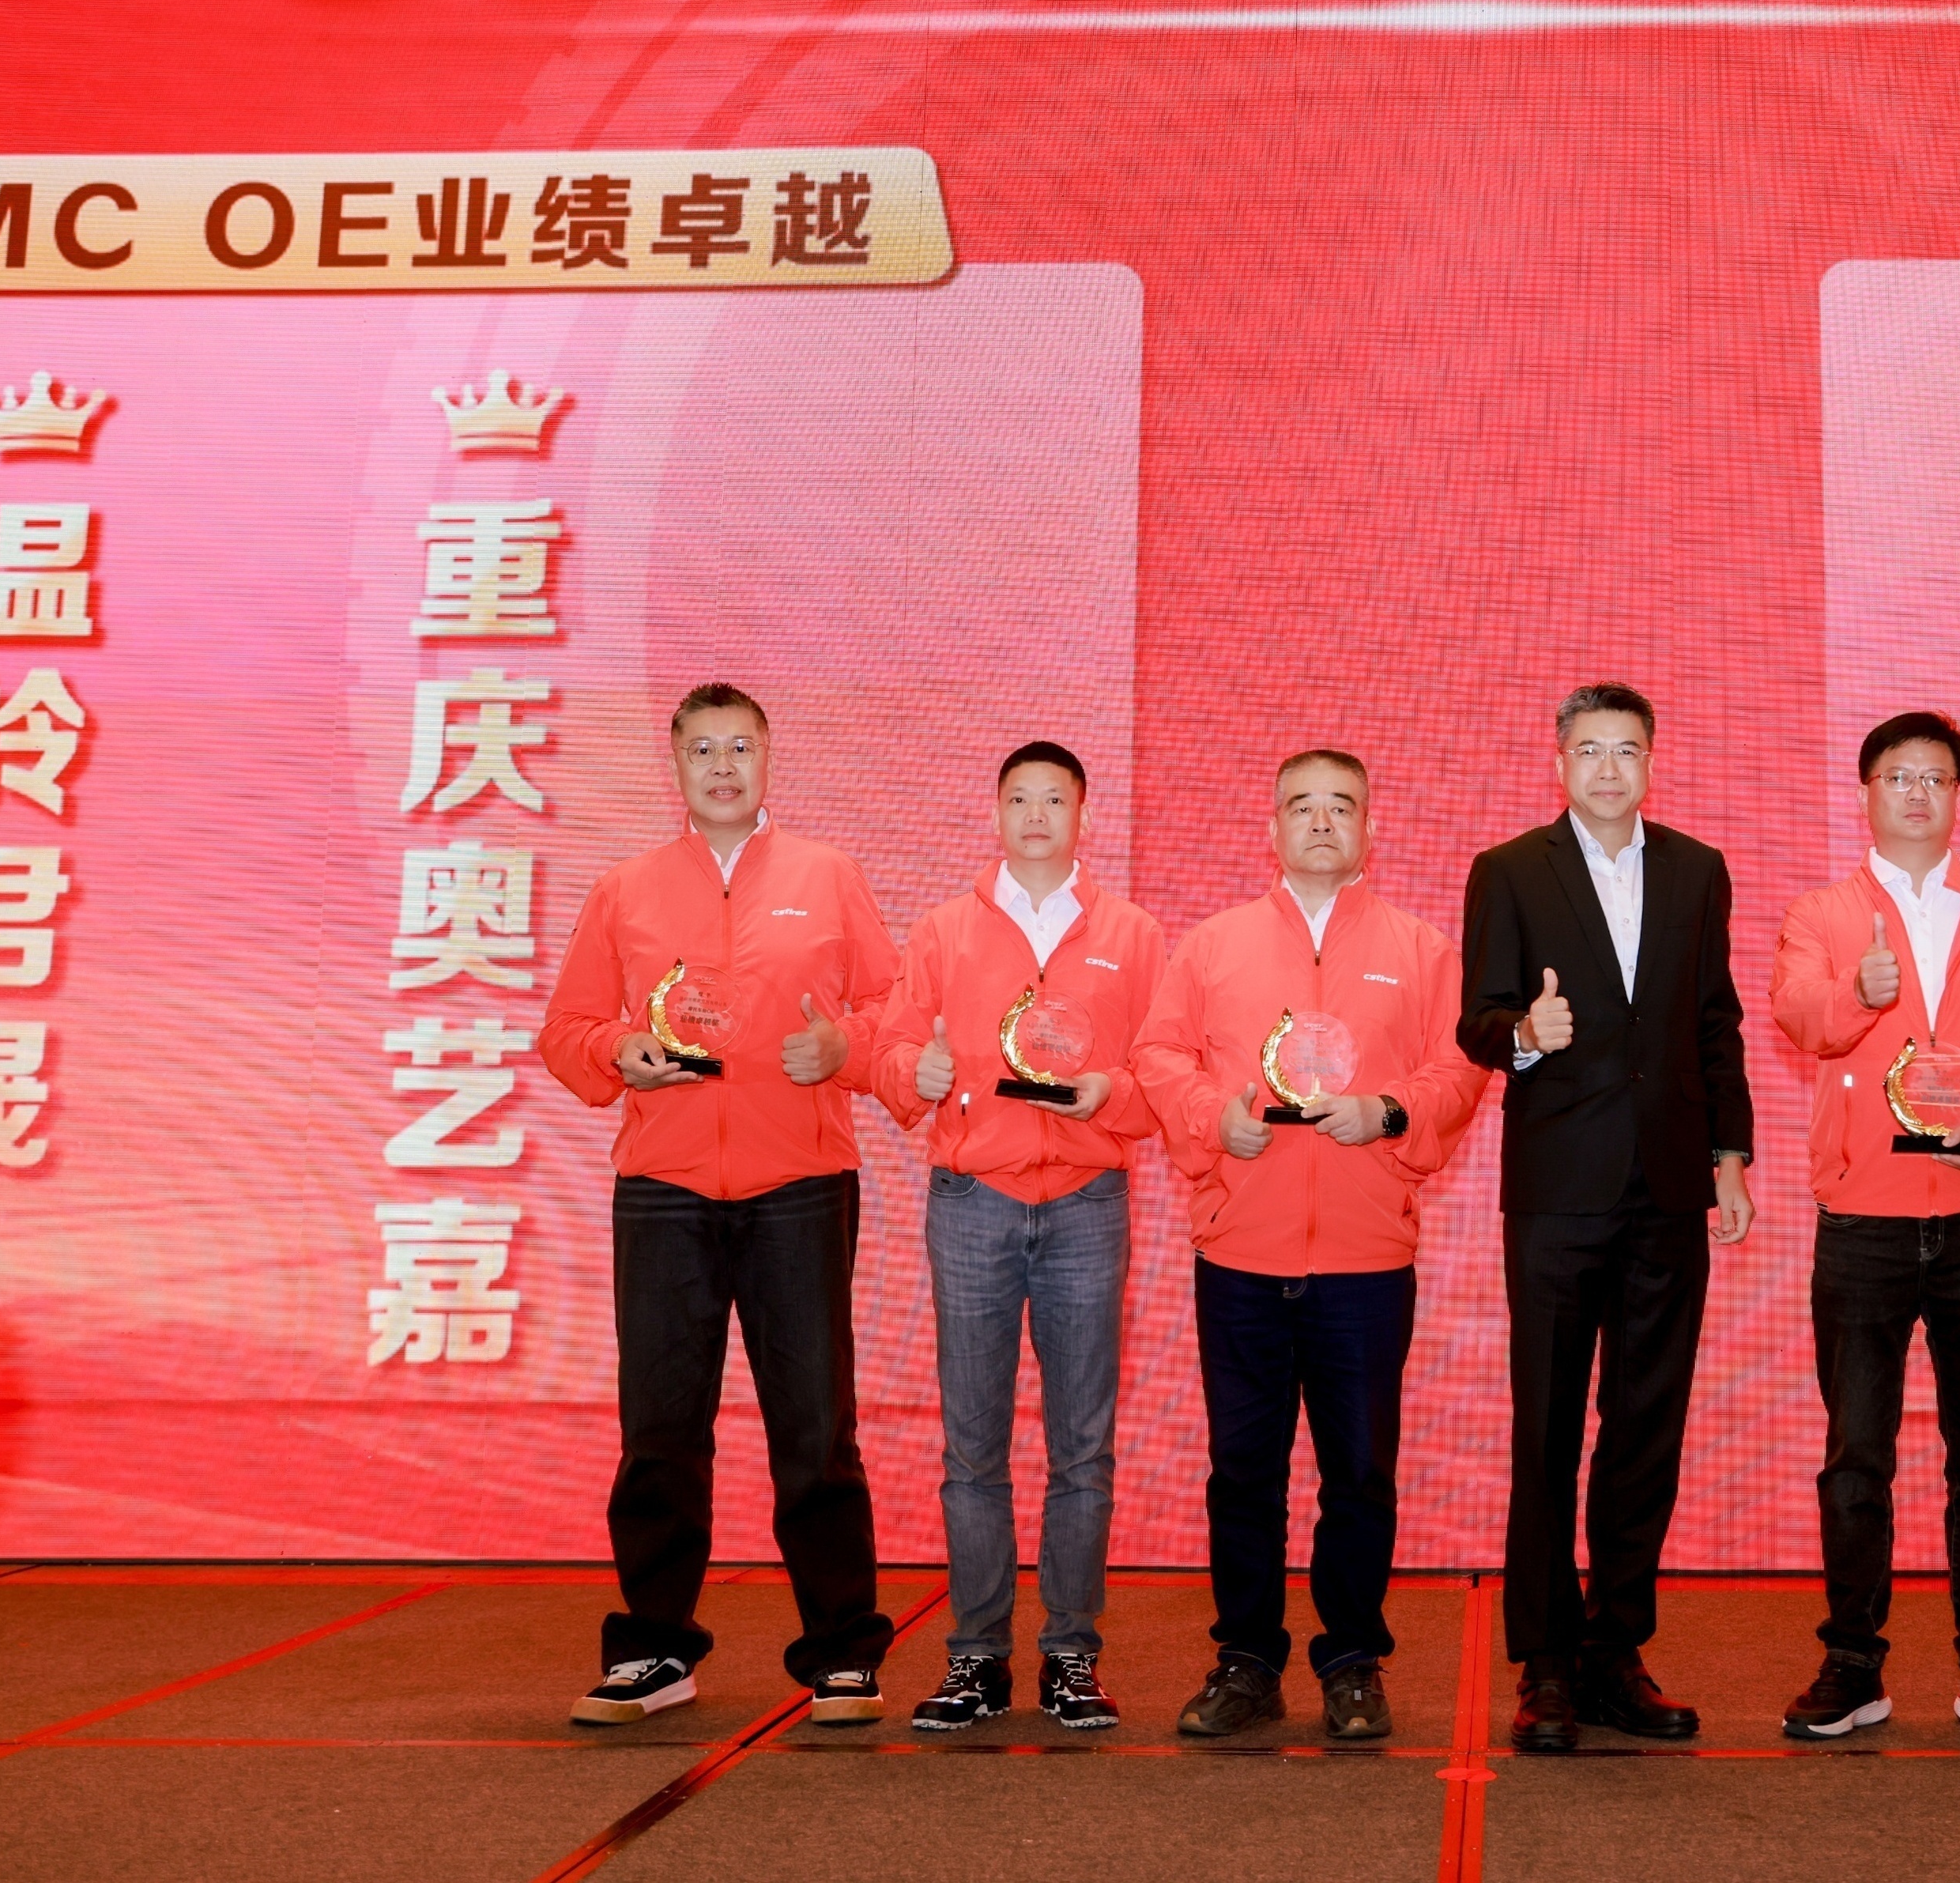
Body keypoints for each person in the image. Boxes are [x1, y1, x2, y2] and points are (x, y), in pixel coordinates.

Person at [537, 683, 900, 1726]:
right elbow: (566, 1030)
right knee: (659, 1425)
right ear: (677, 767)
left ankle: (841, 1652)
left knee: (816, 1426)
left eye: (740, 746)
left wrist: (842, 1047)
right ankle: (654, 1650)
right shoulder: (626, 889)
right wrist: (619, 1049)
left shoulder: (828, 876)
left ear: (768, 759)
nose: (723, 766)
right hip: (665, 1187)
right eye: (703, 750)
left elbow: (893, 1009)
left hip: (801, 1184)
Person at [1129, 749, 1488, 1741]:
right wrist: (1213, 1117)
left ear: (1371, 828)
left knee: (1358, 1475)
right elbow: (1156, 1054)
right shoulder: (1213, 945)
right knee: (1242, 1472)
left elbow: (1460, 1068)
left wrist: (1388, 1109)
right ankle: (1245, 1659)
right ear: (1272, 828)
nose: (1321, 821)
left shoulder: (1420, 950)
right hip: (1239, 1252)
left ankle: (1351, 1660)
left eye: (1341, 806)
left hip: (1366, 1261)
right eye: (1301, 805)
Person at [1767, 711, 1960, 1744]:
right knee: (1855, 1456)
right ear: (1864, 793)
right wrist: (1853, 993)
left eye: (1935, 778)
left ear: (1957, 795)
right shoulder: (1821, 914)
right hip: (1862, 1220)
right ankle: (1851, 1664)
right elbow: (1796, 1015)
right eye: (1897, 777)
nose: (1916, 793)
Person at [1457, 684, 1754, 1753]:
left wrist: (1728, 1157)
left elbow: (1714, 1021)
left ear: (1650, 762)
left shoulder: (1695, 870)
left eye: (1627, 750)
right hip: (1556, 1191)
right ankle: (1543, 1660)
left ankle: (1614, 1650)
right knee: (1545, 1426)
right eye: (1590, 751)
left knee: (1643, 1427)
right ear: (1559, 763)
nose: (1609, 769)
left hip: (1667, 1188)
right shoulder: (1508, 870)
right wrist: (1522, 1032)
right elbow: (1475, 1021)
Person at [867, 742, 1164, 1733]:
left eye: (1055, 799)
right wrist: (912, 1071)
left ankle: (1071, 1654)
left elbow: (1164, 1072)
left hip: (1086, 1201)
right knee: (972, 1446)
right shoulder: (944, 929)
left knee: (1083, 1445)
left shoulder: (1131, 933)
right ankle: (977, 1656)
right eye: (1019, 798)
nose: (1036, 814)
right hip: (973, 1200)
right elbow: (891, 1049)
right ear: (995, 814)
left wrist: (1109, 1091)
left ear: (1084, 816)